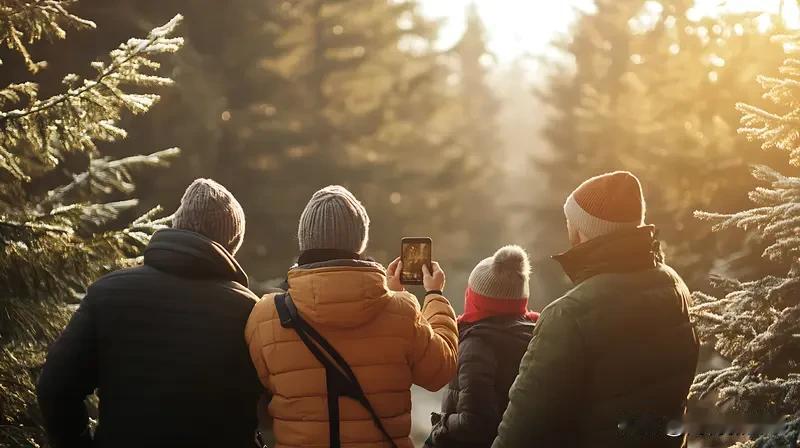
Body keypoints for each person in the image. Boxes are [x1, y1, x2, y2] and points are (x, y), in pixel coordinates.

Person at [37, 179, 262, 448]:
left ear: (176, 225)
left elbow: (55, 387)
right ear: (231, 244)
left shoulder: (107, 293)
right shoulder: (249, 310)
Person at [493, 171, 700, 448]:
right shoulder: (675, 287)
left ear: (582, 230)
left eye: (570, 221)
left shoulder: (569, 315)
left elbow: (523, 430)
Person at [245, 185, 458, 448]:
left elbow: (260, 392)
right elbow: (439, 371)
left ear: (305, 240)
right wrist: (434, 295)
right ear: (360, 240)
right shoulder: (402, 312)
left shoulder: (267, 315)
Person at [426, 245, 538, 448]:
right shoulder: (538, 335)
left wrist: (441, 424)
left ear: (475, 299)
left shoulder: (476, 345)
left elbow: (475, 423)